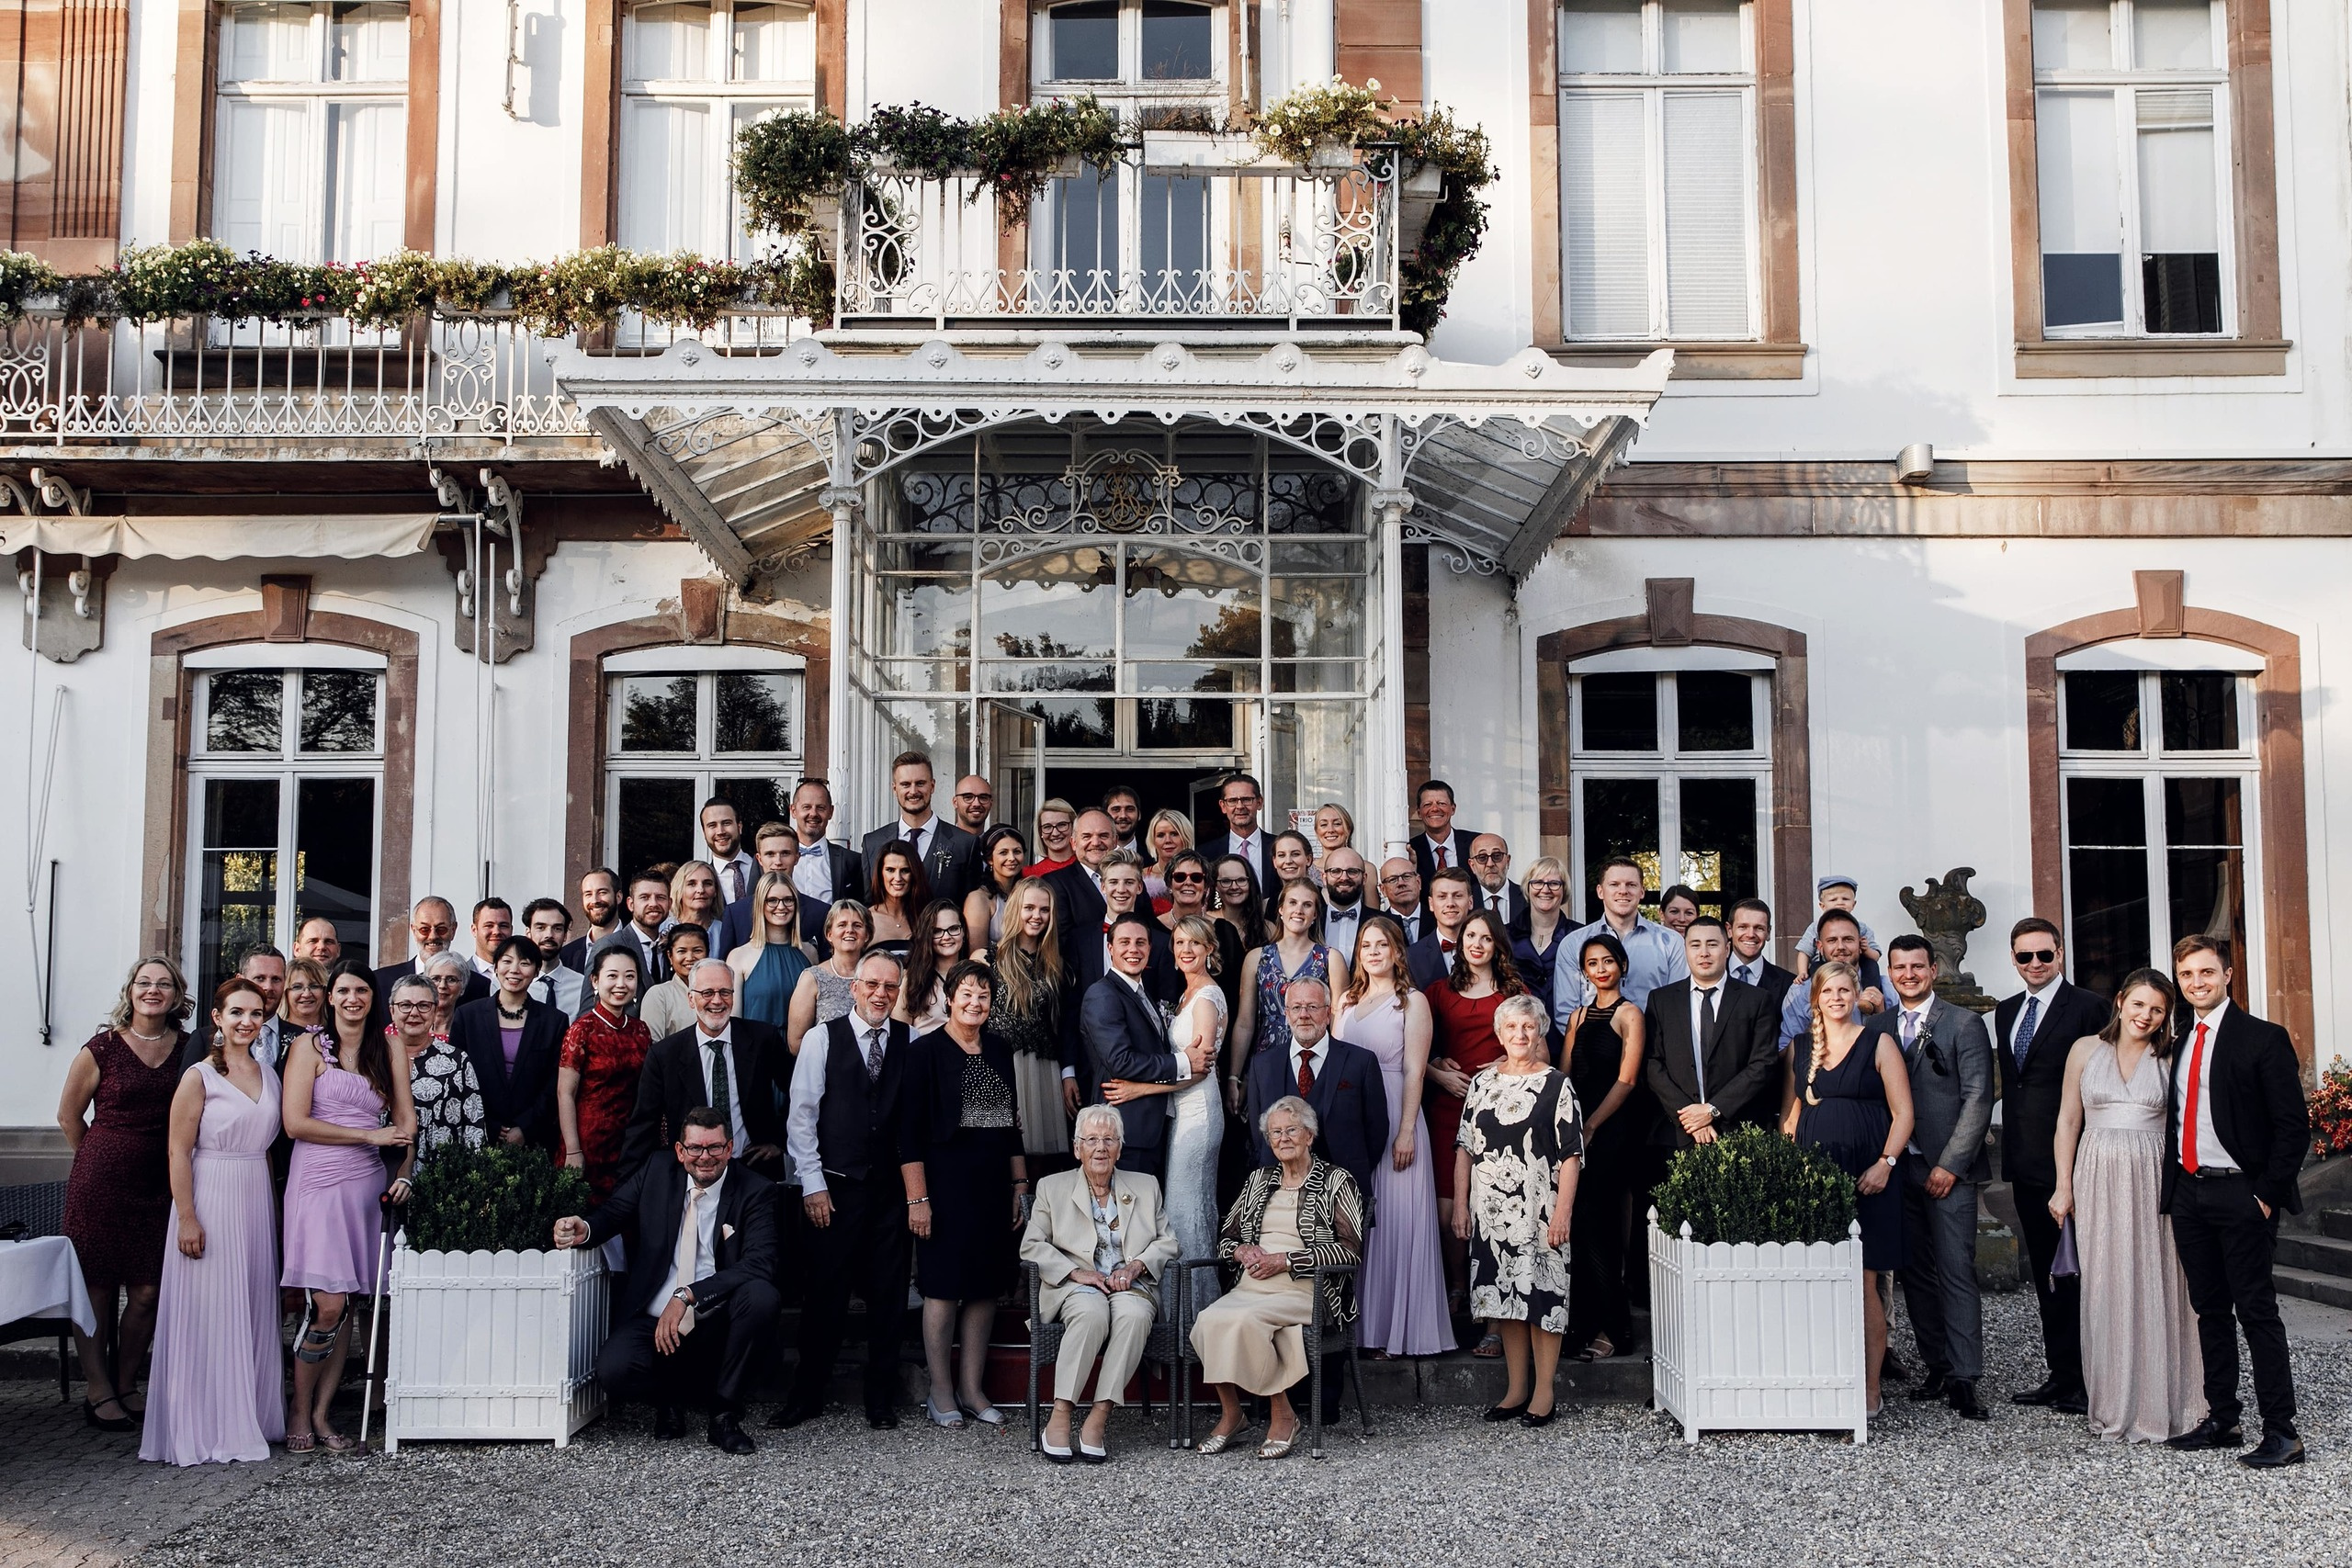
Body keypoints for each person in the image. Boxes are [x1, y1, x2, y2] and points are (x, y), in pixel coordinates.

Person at [2161, 934, 2310, 1469]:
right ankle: (2223, 1417)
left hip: (2242, 1192)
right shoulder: (2179, 1041)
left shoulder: (2263, 1038)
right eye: (2186, 975)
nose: (2196, 983)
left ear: (2227, 975)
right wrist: (2177, 1191)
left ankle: (2282, 1432)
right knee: (2210, 1311)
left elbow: (2293, 1127)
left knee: (2256, 1311)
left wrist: (2265, 1194)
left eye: (2206, 972)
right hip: (2189, 1193)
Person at [553, 1108, 781, 1454]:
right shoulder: (656, 1171)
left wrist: (689, 1294)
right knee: (614, 1370)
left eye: (715, 1147)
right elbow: (614, 1213)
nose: (705, 1157)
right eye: (695, 1148)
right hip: (655, 1318)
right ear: (679, 1150)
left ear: (729, 1148)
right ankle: (668, 1400)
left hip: (715, 1319)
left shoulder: (756, 1190)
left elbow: (760, 1263)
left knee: (761, 1295)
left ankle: (724, 1414)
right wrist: (584, 1229)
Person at [2049, 968, 2205, 1444]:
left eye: (2157, 1009)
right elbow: (2067, 1121)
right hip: (2095, 1177)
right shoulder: (2084, 1049)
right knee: (2105, 1285)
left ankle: (2169, 1402)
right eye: (2139, 1004)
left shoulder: (2172, 1054)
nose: (2146, 1016)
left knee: (2160, 1280)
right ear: (2120, 1001)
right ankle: (2115, 1403)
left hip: (2155, 1178)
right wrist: (2062, 1186)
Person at [140, 978, 286, 1466]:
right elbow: (178, 1150)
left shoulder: (271, 1075)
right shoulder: (199, 1076)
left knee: (250, 1305)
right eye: (237, 1013)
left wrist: (273, 1213)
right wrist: (187, 1217)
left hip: (254, 1197)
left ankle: (251, 1416)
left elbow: (267, 1150)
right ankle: (205, 1425)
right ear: (217, 1018)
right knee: (211, 1308)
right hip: (210, 1194)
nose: (247, 1021)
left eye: (256, 1013)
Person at [281, 960, 415, 1453]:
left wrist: (403, 1172)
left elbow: (406, 1121)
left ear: (372, 997)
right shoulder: (309, 1047)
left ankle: (322, 1415)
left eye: (361, 990)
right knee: (328, 1303)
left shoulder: (390, 1047)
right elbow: (295, 1123)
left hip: (365, 1184)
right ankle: (298, 1409)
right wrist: (367, 1135)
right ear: (330, 997)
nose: (352, 998)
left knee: (351, 1300)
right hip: (317, 1180)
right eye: (343, 990)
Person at [1862, 934, 1996, 1420]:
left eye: (1917, 966)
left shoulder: (1963, 1023)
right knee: (1915, 1273)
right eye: (1899, 967)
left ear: (1933, 969)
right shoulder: (1877, 1027)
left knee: (1956, 1270)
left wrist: (1951, 1164)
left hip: (1948, 1170)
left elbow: (1978, 1098)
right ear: (1890, 972)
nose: (1908, 975)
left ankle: (1964, 1376)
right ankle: (1936, 1364)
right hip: (1899, 1169)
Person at [781, 953, 914, 1430]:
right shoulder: (822, 1038)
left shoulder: (912, 1041)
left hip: (890, 1192)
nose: (881, 994)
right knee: (825, 1294)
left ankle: (880, 1399)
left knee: (889, 1296)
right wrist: (812, 1185)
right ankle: (807, 1394)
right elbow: (801, 1118)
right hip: (834, 1189)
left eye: (890, 987)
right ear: (854, 988)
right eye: (872, 984)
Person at [1192, 1096, 1364, 1459]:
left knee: (1247, 1321)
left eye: (1291, 1130)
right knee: (1207, 1320)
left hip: (1308, 1289)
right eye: (1275, 1133)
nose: (1283, 1138)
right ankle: (1232, 1414)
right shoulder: (1258, 1180)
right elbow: (1227, 1239)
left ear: (1309, 1135)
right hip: (1253, 1285)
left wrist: (1287, 1260)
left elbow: (1350, 1251)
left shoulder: (1336, 1181)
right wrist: (1242, 1251)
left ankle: (1283, 1415)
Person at [59, 954, 189, 1430]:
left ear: (177, 996)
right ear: (130, 991)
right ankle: (97, 1389)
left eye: (163, 984)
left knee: (148, 1290)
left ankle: (126, 1380)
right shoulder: (102, 1048)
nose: (152, 990)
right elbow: (68, 1116)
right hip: (100, 1184)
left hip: (159, 1183)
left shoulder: (189, 1048)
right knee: (95, 1288)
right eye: (144, 982)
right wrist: (98, 1159)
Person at [1782, 961, 1915, 1417]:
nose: (1836, 998)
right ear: (1815, 998)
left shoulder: (1878, 1042)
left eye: (1844, 990)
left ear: (1857, 994)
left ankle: (1870, 1387)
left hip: (1869, 1177)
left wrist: (1886, 1164)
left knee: (1863, 1281)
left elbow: (1904, 1113)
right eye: (1828, 991)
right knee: (1817, 1278)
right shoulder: (1801, 1047)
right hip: (1817, 1179)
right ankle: (1823, 1378)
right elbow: (1791, 1117)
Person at [900, 960, 1027, 1427]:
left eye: (984, 996)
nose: (975, 1003)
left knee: (984, 1288)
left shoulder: (999, 1049)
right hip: (943, 1189)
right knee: (942, 1288)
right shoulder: (925, 1052)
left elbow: (1010, 1127)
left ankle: (972, 1389)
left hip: (991, 1186)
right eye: (967, 994)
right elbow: (908, 1135)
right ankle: (940, 1391)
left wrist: (1019, 1184)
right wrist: (918, 1200)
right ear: (950, 999)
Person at [1993, 916, 2110, 1413]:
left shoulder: (2089, 1008)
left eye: (2045, 954)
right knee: (2049, 1273)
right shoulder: (2006, 1011)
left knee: (2084, 1274)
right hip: (2025, 1163)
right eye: (2026, 956)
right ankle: (2061, 1376)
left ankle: (2093, 1380)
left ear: (2060, 954)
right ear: (2014, 959)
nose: (2036, 963)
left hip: (2075, 1164)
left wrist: (2080, 1168)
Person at [1020, 1106, 1181, 1462]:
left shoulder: (1145, 1185)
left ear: (1120, 1148)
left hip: (1130, 1284)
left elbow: (1168, 1241)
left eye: (1109, 1139)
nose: (1100, 1147)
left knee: (1134, 1316)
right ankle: (1061, 1414)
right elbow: (1031, 1246)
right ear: (1077, 1148)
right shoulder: (1052, 1187)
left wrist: (1137, 1265)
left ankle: (1098, 1417)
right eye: (1091, 1139)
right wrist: (1075, 1273)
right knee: (1091, 1313)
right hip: (1076, 1285)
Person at [1453, 994, 1583, 1425]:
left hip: (1540, 1214)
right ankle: (1515, 1390)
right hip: (1492, 1215)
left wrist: (1563, 1213)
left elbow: (1572, 1155)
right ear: (1499, 1033)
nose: (1520, 1034)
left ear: (1540, 1031)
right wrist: (1460, 1206)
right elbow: (1464, 1148)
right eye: (1511, 1027)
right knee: (1505, 1297)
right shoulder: (1481, 1083)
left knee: (1543, 1300)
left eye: (1528, 1026)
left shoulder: (1557, 1084)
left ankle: (1544, 1393)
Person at [1098, 917, 1227, 1313]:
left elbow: (1199, 1069)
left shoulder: (1207, 997)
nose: (1186, 950)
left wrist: (1139, 1089)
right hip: (1177, 1112)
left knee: (1185, 1210)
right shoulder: (1185, 995)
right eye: (1179, 942)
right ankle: (1180, 1311)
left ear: (1209, 949)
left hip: (1198, 1112)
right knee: (1179, 1208)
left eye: (1195, 943)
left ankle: (1191, 1315)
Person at [1340, 916, 1453, 1359]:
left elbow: (1414, 1070)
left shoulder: (1412, 1002)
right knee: (1361, 1222)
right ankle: (1363, 1330)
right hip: (1354, 1119)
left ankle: (1400, 1331)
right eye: (1366, 945)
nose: (1373, 952)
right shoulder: (1347, 1001)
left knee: (1396, 1221)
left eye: (1381, 945)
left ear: (1397, 951)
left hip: (1396, 1113)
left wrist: (1405, 1130)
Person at [1561, 933, 1648, 1363]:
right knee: (1578, 1228)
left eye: (1608, 961)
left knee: (1602, 1227)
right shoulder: (1577, 1016)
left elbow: (1627, 1080)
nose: (1601, 969)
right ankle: (1582, 1325)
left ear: (1622, 966)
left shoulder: (1630, 1014)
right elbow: (1562, 1074)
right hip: (1576, 1130)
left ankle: (1614, 1330)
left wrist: (1592, 1125)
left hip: (1611, 1131)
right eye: (1592, 963)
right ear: (1584, 971)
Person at [622, 960, 786, 1181]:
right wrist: (627, 1190)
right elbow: (643, 1126)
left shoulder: (763, 1039)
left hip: (754, 1170)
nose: (717, 1001)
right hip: (691, 1175)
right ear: (691, 999)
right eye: (707, 993)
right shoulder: (665, 1055)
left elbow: (798, 1091)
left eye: (725, 992)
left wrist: (779, 1140)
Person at [1083, 915, 1214, 1173]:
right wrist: (1184, 1061)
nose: (1133, 949)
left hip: (1153, 1129)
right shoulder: (1102, 994)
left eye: (1140, 942)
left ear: (1150, 949)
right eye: (1125, 942)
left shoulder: (1142, 993)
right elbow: (1120, 1061)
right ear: (1110, 948)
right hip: (1125, 1130)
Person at [1241, 980, 1387, 1203]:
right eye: (1296, 1007)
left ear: (1328, 1014)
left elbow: (1376, 1131)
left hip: (1344, 1196)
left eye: (1312, 1006)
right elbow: (1259, 1133)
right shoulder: (1262, 1065)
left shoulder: (1361, 1062)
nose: (1303, 1015)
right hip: (1279, 1195)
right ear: (1287, 1014)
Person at [1643, 916, 1781, 1150]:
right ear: (1686, 950)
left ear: (1727, 949)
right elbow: (1652, 1063)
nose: (1704, 953)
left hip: (1738, 1132)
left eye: (1712, 944)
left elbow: (1763, 1063)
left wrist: (1712, 1110)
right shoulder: (1661, 1000)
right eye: (1695, 945)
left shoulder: (1756, 1000)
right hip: (1678, 1133)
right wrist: (1690, 1117)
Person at [450, 934, 567, 1153]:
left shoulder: (554, 1021)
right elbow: (457, 1079)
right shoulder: (467, 1016)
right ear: (495, 967)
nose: (514, 970)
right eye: (507, 961)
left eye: (524, 963)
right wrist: (490, 1125)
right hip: (477, 1133)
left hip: (535, 1140)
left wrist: (526, 1127)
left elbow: (555, 1082)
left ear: (536, 971)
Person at [558, 949, 654, 1203]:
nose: (621, 984)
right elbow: (565, 1093)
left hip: (630, 1143)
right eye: (612, 976)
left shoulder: (641, 1030)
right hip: (588, 1142)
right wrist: (573, 1150)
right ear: (595, 981)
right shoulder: (582, 1030)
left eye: (629, 976)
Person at [989, 879, 1072, 1163]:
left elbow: (1063, 1024)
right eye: (1029, 908)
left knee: (1040, 1159)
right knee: (995, 1152)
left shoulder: (1056, 965)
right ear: (1016, 909)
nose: (1037, 916)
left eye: (1044, 909)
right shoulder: (989, 958)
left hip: (1042, 1067)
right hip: (998, 1066)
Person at [1554, 857, 1688, 1021]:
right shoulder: (1574, 944)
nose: (1623, 891)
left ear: (1642, 891)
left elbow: (1678, 1006)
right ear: (1600, 891)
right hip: (1591, 1037)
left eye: (1631, 885)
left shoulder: (1671, 942)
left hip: (1653, 1037)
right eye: (1614, 884)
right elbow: (1566, 1013)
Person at [1235, 878, 1349, 1068]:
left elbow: (1339, 1018)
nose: (1299, 910)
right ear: (1281, 909)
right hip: (1267, 1060)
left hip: (1315, 1060)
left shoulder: (1330, 958)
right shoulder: (1257, 958)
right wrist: (1234, 1075)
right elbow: (1245, 1023)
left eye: (1307, 905)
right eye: (1293, 902)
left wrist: (1335, 1067)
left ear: (1315, 914)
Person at [861, 751, 982, 902]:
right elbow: (868, 904)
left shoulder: (965, 844)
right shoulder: (872, 843)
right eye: (905, 784)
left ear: (932, 786)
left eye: (920, 783)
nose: (913, 791)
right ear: (894, 789)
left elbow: (972, 906)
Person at [390, 975, 486, 1161]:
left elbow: (474, 1126)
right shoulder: (373, 1057)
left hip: (440, 1170)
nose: (414, 1013)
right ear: (392, 1011)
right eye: (405, 1005)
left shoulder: (457, 1061)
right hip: (379, 1167)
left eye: (424, 1006)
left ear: (435, 1011)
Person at [1775, 909, 1890, 1055]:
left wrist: (1881, 1015)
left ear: (1860, 944)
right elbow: (1785, 1049)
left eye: (1848, 939)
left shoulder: (1886, 987)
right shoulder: (1801, 991)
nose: (1840, 947)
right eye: (1832, 940)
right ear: (1820, 946)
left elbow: (1899, 1048)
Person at [717, 824, 829, 958]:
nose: (778, 861)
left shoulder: (820, 912)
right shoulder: (736, 913)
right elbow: (725, 966)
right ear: (759, 859)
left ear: (797, 857)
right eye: (770, 854)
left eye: (785, 853)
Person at [181, 944, 292, 1075]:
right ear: (240, 980)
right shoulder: (203, 1040)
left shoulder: (300, 1037)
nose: (268, 987)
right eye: (260, 978)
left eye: (276, 979)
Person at [726, 872, 814, 1033]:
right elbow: (734, 1022)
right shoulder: (738, 957)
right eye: (772, 900)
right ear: (760, 904)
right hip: (757, 1046)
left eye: (788, 900)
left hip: (801, 1047)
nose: (781, 907)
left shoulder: (810, 953)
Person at [786, 899, 874, 1052]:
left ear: (866, 935)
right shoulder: (812, 978)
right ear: (829, 934)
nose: (850, 930)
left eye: (857, 925)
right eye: (842, 925)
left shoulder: (876, 976)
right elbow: (795, 1043)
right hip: (827, 1063)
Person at [897, 899, 973, 1035]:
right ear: (927, 936)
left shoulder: (974, 976)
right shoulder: (912, 980)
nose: (946, 936)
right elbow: (900, 1035)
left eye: (953, 929)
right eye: (937, 931)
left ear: (963, 932)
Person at [1510, 856, 1574, 1018]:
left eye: (1554, 883)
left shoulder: (1579, 936)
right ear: (1528, 887)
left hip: (1567, 1026)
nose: (1545, 890)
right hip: (1519, 1026)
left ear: (1564, 890)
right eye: (1538, 882)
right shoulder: (1505, 935)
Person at [789, 778, 869, 907]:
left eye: (820, 808)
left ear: (831, 812)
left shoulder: (852, 861)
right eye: (806, 807)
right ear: (793, 811)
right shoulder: (772, 859)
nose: (813, 813)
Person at [593, 872, 676, 988]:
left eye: (660, 897)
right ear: (631, 904)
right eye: (644, 897)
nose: (653, 904)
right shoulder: (608, 944)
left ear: (669, 904)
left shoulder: (672, 947)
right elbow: (589, 998)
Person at [1200, 773, 1277, 897]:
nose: (1240, 806)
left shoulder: (1278, 848)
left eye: (1247, 800)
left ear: (1259, 802)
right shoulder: (1206, 854)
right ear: (1223, 806)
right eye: (1232, 801)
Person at [1207, 854, 1267, 1013]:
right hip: (1219, 1010)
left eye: (1241, 880)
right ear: (1216, 886)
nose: (1234, 887)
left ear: (1250, 883)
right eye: (1226, 881)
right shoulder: (1206, 925)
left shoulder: (1267, 928)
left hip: (1259, 1011)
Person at [1793, 874, 1883, 975]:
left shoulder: (1862, 928)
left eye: (1845, 899)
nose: (1840, 903)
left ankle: (1868, 985)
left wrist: (1867, 950)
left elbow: (1876, 956)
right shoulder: (1815, 927)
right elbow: (1804, 952)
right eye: (1833, 900)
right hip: (1825, 968)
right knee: (1815, 967)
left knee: (1871, 965)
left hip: (1854, 968)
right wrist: (1802, 972)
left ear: (1853, 904)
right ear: (1822, 906)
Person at [1405, 866, 1476, 990]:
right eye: (1442, 897)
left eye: (1458, 896)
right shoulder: (1412, 956)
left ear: (1470, 902)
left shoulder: (1487, 949)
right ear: (1431, 904)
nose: (1450, 903)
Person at [373, 896, 460, 994]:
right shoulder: (381, 981)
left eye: (441, 929)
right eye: (424, 929)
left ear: (453, 930)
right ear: (414, 931)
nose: (433, 936)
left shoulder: (473, 984)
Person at [1726, 897, 1798, 1015]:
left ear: (1768, 932)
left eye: (1759, 928)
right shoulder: (1710, 976)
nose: (1750, 934)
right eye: (1743, 927)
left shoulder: (1789, 984)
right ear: (1729, 930)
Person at [964, 824, 1030, 952]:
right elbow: (976, 954)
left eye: (1017, 851)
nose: (1012, 858)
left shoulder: (1028, 893)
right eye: (1003, 853)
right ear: (990, 859)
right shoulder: (979, 899)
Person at [638, 925, 710, 1041]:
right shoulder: (659, 995)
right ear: (670, 956)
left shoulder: (720, 992)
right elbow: (652, 1044)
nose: (690, 958)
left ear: (707, 954)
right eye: (682, 951)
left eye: (697, 950)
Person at [521, 898, 586, 1019]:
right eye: (541, 927)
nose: (549, 935)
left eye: (557, 928)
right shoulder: (512, 982)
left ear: (565, 935)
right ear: (528, 933)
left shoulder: (582, 985)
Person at [865, 840, 929, 960]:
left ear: (915, 873)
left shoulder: (926, 918)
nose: (898, 878)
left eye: (905, 870)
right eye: (890, 870)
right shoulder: (866, 919)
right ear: (880, 874)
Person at [1407, 779, 1476, 886]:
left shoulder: (1475, 843)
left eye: (1441, 803)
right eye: (1427, 804)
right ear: (1419, 812)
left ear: (1453, 809)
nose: (1434, 809)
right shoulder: (1410, 850)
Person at [559, 869, 623, 972]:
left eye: (602, 892)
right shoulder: (566, 954)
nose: (595, 900)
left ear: (619, 896)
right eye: (588, 894)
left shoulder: (639, 946)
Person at [698, 797, 757, 907]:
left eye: (726, 823)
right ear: (704, 832)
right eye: (712, 825)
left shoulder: (762, 867)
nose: (720, 831)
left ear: (739, 827)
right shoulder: (701, 882)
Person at [1466, 834, 1530, 935]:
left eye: (1497, 856)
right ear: (1472, 865)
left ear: (1508, 861)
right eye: (1482, 858)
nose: (1490, 864)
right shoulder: (1465, 901)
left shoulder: (1528, 897)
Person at [1317, 848, 1372, 959]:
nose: (1344, 878)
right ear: (1324, 878)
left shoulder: (1388, 922)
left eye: (1352, 871)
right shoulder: (1311, 923)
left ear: (1364, 878)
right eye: (1335, 871)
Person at [1138, 807, 1193, 912]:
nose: (1168, 840)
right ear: (1153, 840)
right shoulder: (1141, 877)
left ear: (1186, 837)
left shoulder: (1200, 876)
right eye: (1161, 835)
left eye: (1174, 834)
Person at [669, 861, 727, 949]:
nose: (701, 890)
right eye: (692, 884)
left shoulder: (723, 931)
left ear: (716, 891)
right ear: (679, 890)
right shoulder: (663, 929)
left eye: (708, 884)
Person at [419, 953, 473, 1040]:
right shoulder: (404, 1027)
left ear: (463, 988)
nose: (442, 986)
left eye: (451, 980)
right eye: (435, 979)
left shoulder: (471, 1032)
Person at [462, 898, 514, 988]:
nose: (496, 932)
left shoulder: (524, 976)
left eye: (503, 926)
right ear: (474, 930)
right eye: (489, 925)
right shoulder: (460, 976)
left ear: (511, 930)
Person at [1379, 858, 1429, 945]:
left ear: (1418, 882)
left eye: (1407, 876)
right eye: (1393, 879)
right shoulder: (1378, 926)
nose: (1401, 883)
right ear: (1383, 890)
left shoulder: (1438, 919)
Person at [1024, 796, 1078, 878]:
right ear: (1040, 832)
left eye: (1062, 825)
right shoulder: (1029, 875)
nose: (1055, 833)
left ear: (1074, 827)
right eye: (1047, 827)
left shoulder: (1088, 866)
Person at [279, 957, 328, 1036]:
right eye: (297, 987)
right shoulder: (274, 1036)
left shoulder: (338, 1034)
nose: (307, 994)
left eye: (314, 986)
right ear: (285, 993)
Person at [1309, 802, 1354, 883]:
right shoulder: (1306, 871)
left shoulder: (1366, 869)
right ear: (1316, 832)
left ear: (1348, 829)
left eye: (1337, 824)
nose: (1330, 830)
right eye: (1324, 825)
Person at [1270, 831, 1317, 897]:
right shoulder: (1268, 902)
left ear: (1308, 859)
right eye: (1281, 855)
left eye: (1295, 854)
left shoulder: (1325, 898)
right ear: (1274, 862)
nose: (1288, 861)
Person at [1102, 784, 1144, 855]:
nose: (1123, 816)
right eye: (1116, 809)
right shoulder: (1094, 858)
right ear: (1104, 815)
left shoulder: (1154, 858)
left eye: (1130, 809)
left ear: (1139, 814)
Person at [951, 773, 995, 838]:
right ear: (955, 802)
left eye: (983, 798)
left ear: (991, 803)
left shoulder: (996, 843)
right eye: (968, 797)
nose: (976, 804)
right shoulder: (939, 841)